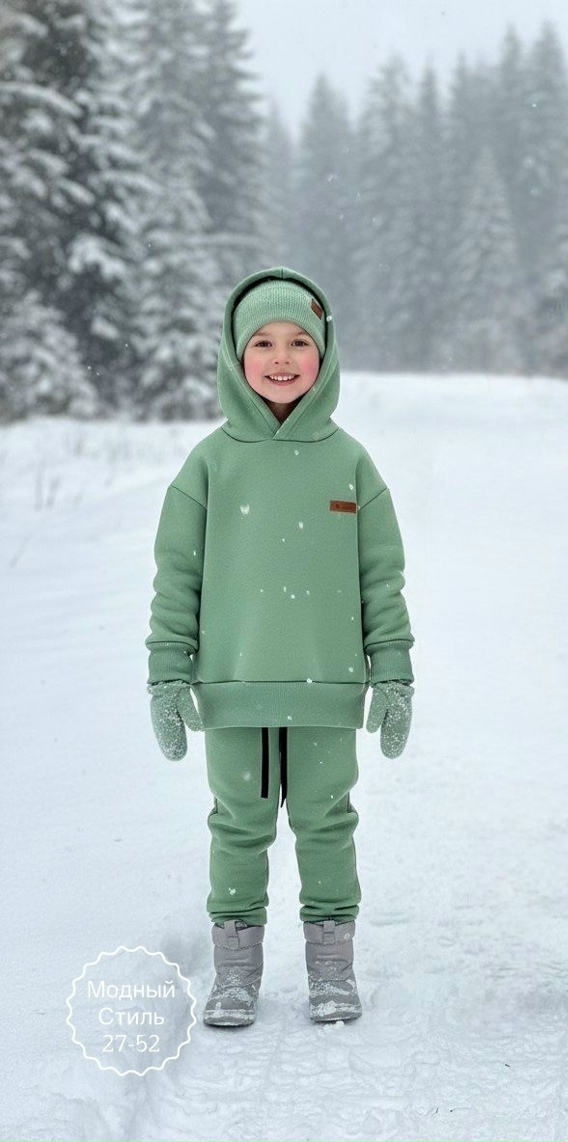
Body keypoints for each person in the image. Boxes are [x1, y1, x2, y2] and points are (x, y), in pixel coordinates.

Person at [146, 267, 414, 1027]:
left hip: (327, 687)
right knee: (238, 825)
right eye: (262, 342)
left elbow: (381, 579)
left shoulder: (349, 462)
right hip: (233, 690)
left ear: (324, 353)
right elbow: (177, 580)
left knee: (327, 823)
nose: (282, 357)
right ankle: (236, 973)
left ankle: (332, 969)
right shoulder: (209, 464)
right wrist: (167, 675)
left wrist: (394, 672)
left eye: (299, 341)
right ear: (235, 354)